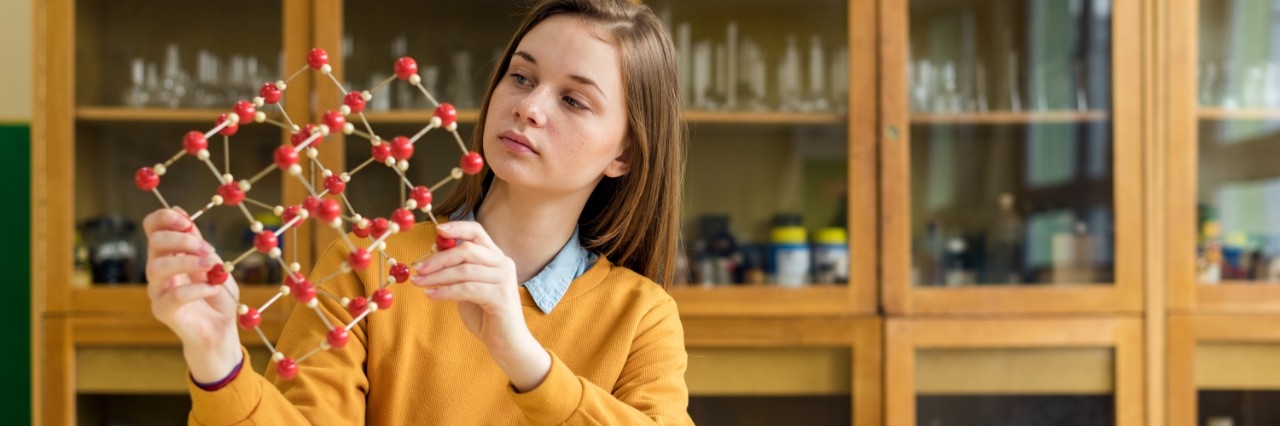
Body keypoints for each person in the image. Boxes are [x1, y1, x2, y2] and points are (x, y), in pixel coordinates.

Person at [142, 0, 691, 423]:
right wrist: (216, 359)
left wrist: (522, 356)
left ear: (624, 154)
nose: (528, 106)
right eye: (521, 77)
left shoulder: (641, 316)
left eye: (574, 100)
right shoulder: (366, 266)